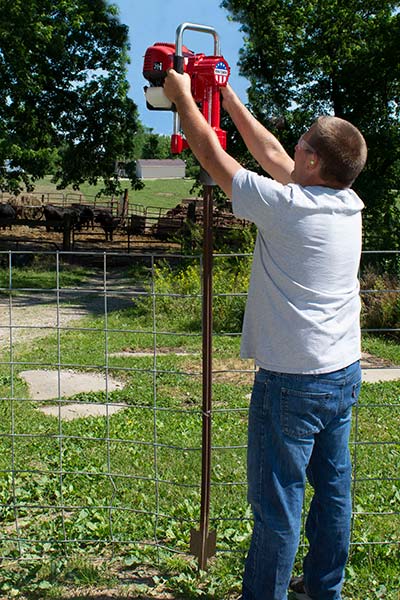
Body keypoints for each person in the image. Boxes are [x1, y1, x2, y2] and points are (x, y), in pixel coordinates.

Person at [163, 70, 367, 600]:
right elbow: (272, 151)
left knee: (278, 507)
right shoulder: (347, 203)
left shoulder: (287, 209)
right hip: (341, 374)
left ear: (314, 162)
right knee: (333, 492)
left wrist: (182, 97)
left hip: (291, 386)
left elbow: (214, 158)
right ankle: (324, 590)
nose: (291, 148)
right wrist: (227, 97)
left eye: (302, 145)